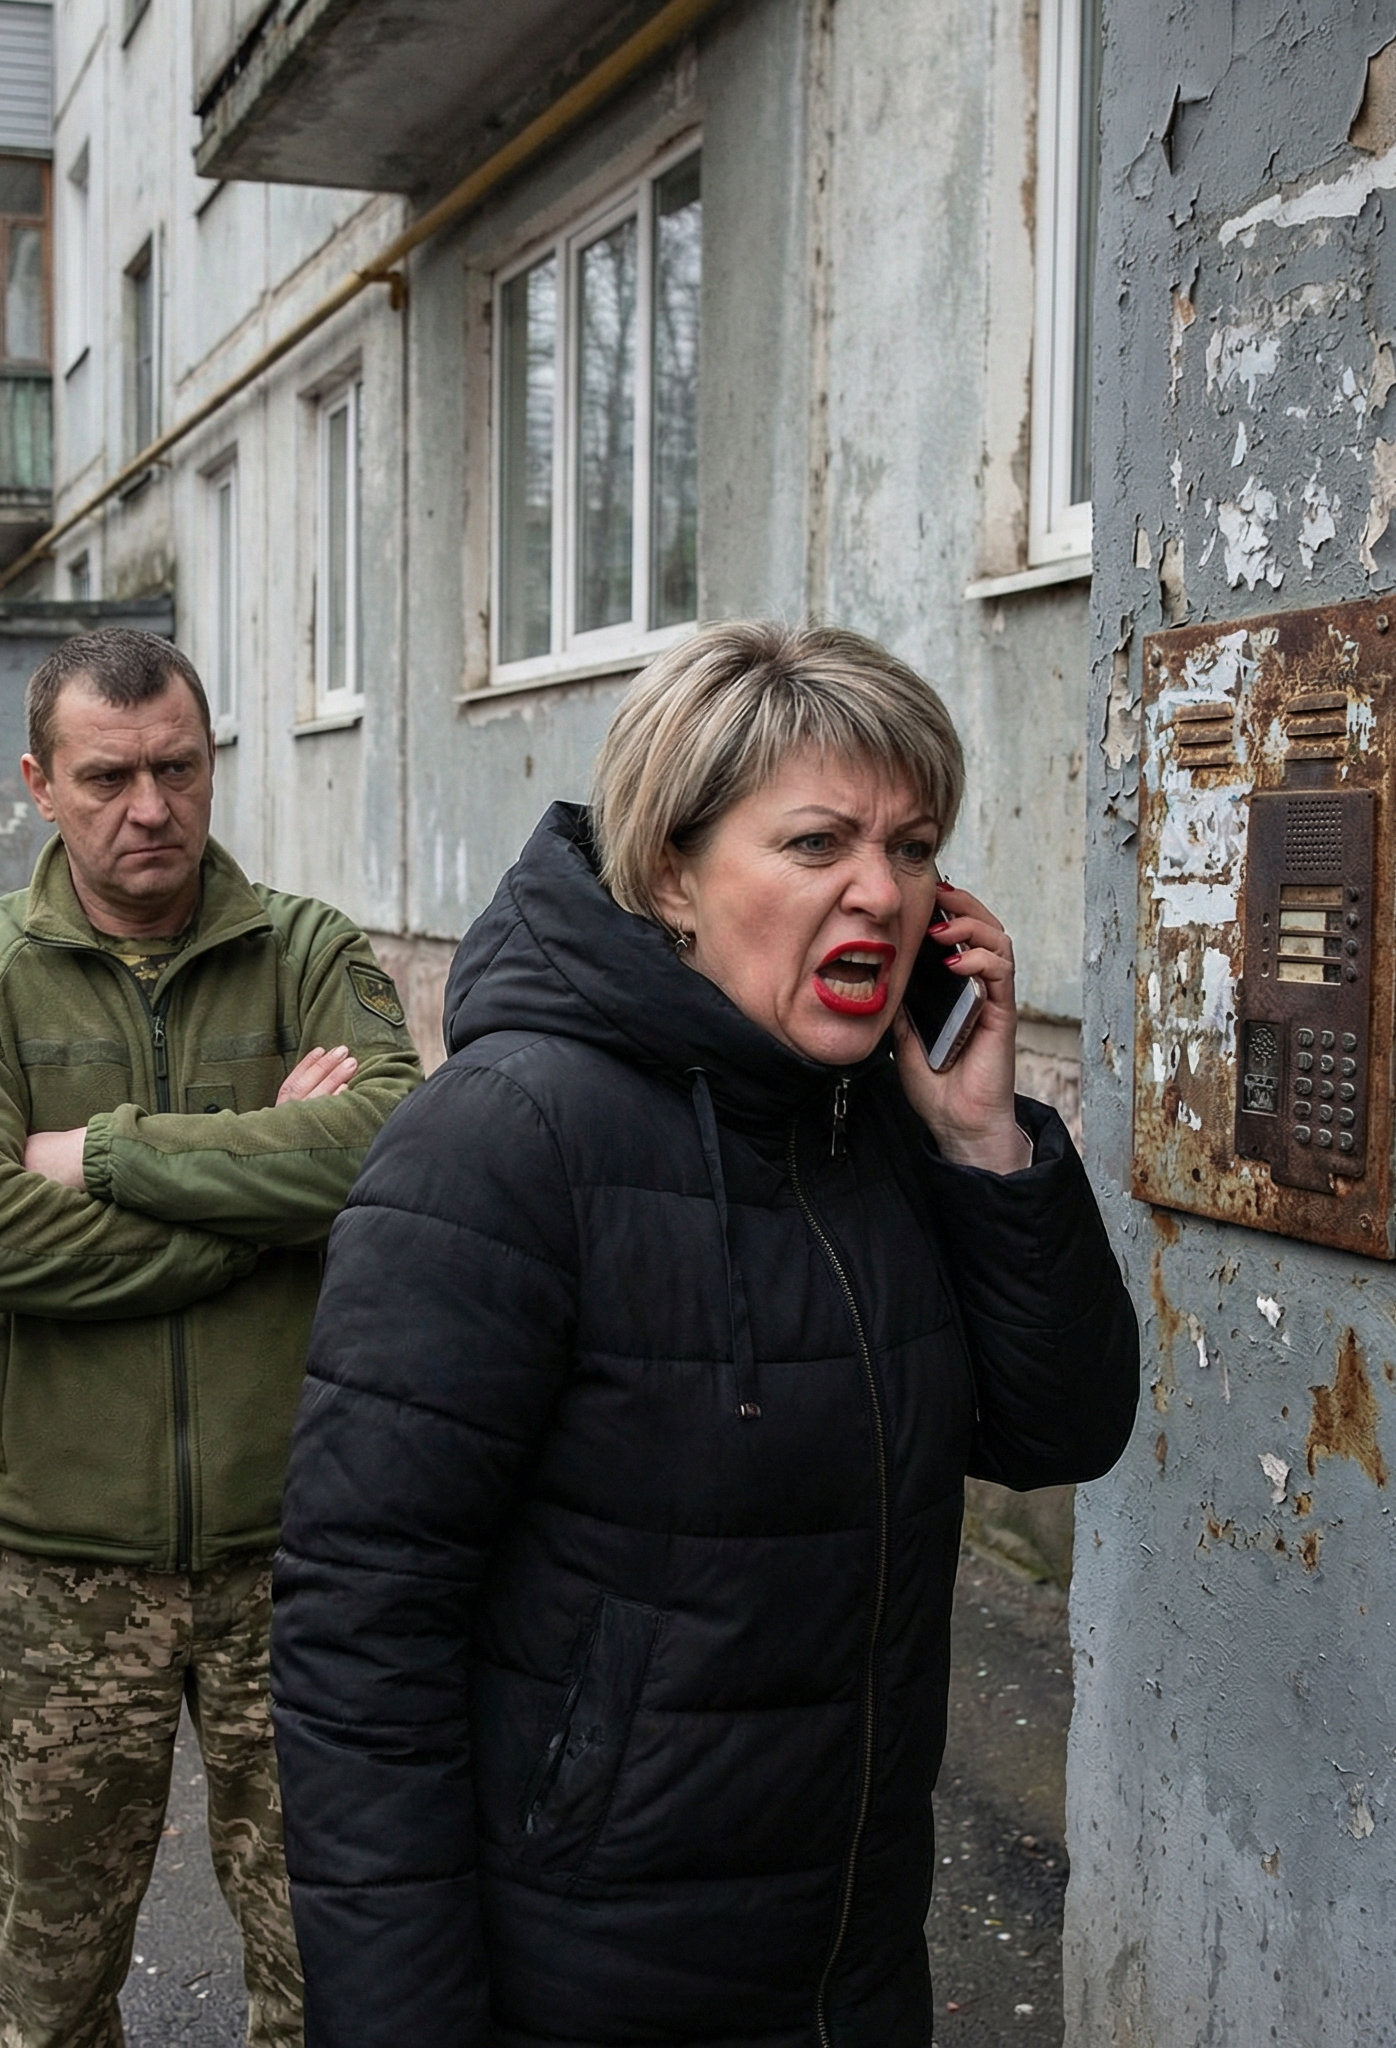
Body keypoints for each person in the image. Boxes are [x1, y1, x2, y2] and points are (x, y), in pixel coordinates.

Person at [272, 620, 1141, 2047]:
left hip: (847, 1967)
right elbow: (359, 1638)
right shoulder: (505, 1143)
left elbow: (1061, 1428)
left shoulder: (870, 1122)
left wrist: (987, 1135)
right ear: (671, 870)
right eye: (816, 846)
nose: (883, 892)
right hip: (585, 1979)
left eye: (915, 847)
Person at [0, 625, 424, 2048]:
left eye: (178, 768)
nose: (151, 808)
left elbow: (392, 1147)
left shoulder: (306, 950)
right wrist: (263, 1190)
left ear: (209, 761)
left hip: (299, 1560)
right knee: (48, 1994)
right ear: (41, 786)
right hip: (55, 1575)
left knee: (340, 1978)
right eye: (109, 775)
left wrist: (107, 1153)